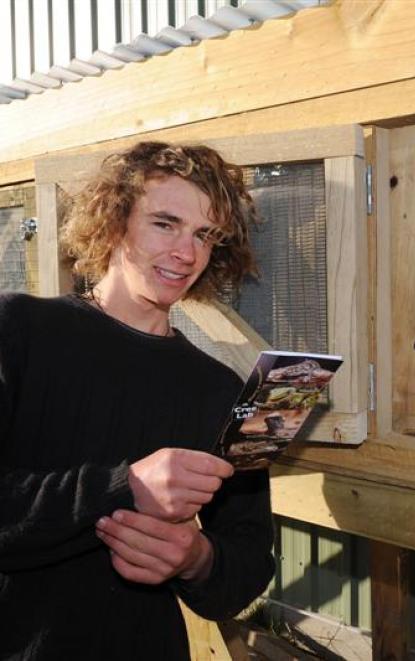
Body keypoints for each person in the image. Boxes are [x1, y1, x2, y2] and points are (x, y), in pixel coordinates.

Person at [0, 141, 275, 660]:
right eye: (165, 223)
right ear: (114, 220)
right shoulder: (18, 330)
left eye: (204, 235)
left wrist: (196, 557)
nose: (186, 253)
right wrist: (122, 488)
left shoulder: (221, 391)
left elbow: (250, 562)